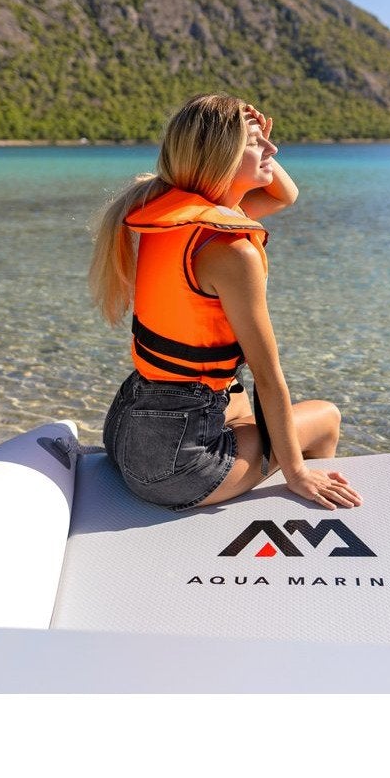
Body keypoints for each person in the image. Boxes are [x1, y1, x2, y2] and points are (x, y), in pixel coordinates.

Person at [88, 93, 360, 513]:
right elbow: (270, 379)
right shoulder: (232, 252)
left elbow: (286, 196)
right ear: (222, 157)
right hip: (173, 468)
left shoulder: (169, 213)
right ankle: (311, 508)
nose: (273, 149)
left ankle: (255, 453)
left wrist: (253, 138)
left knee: (235, 396)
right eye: (256, 143)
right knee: (325, 416)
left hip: (127, 425)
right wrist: (296, 472)